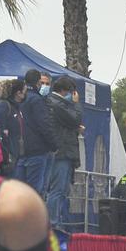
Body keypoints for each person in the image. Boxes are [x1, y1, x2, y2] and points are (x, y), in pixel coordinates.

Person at [44, 76, 83, 229]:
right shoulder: (58, 104)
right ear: (65, 91)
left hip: (62, 151)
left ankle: (55, 222)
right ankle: (52, 224)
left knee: (61, 190)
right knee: (57, 190)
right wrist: (77, 104)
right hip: (62, 153)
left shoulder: (54, 103)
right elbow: (75, 119)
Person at [14, 69, 57, 200]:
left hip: (21, 151)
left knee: (20, 191)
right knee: (36, 192)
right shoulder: (38, 101)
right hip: (38, 151)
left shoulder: (20, 100)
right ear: (38, 82)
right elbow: (44, 125)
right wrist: (53, 145)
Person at [0, 79, 27, 177]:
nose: (25, 95)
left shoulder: (16, 107)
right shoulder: (4, 106)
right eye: (24, 92)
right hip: (8, 153)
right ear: (18, 93)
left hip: (15, 152)